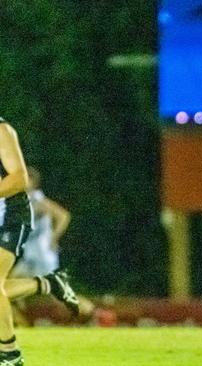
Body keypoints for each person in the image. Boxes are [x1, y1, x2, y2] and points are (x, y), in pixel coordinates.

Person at [0, 119, 80, 365]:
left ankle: (10, 354)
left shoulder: (1, 130)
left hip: (11, 215)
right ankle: (48, 283)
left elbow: (19, 178)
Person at [10, 167, 94, 324]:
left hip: (41, 257)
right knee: (7, 289)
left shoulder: (37, 200)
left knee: (56, 295)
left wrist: (53, 238)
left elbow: (63, 216)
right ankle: (23, 325)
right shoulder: (24, 200)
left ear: (33, 182)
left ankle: (89, 311)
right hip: (31, 257)